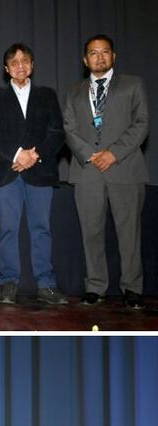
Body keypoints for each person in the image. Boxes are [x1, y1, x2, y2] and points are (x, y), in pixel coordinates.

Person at [63, 34, 148, 309]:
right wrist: (90, 154)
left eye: (105, 52)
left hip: (124, 168)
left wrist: (114, 153)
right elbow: (69, 128)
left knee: (129, 233)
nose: (99, 57)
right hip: (87, 171)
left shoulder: (132, 85)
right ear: (85, 59)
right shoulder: (74, 91)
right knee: (91, 233)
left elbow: (141, 124)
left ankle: (132, 288)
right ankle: (95, 287)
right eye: (93, 53)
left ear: (114, 56)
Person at [0, 43, 68, 306]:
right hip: (7, 173)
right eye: (14, 61)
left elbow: (58, 133)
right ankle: (8, 283)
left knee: (41, 229)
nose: (20, 65)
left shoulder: (47, 94)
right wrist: (18, 154)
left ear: (32, 65)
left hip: (40, 173)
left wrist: (35, 155)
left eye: (25, 60)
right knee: (7, 230)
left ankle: (46, 284)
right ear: (6, 68)